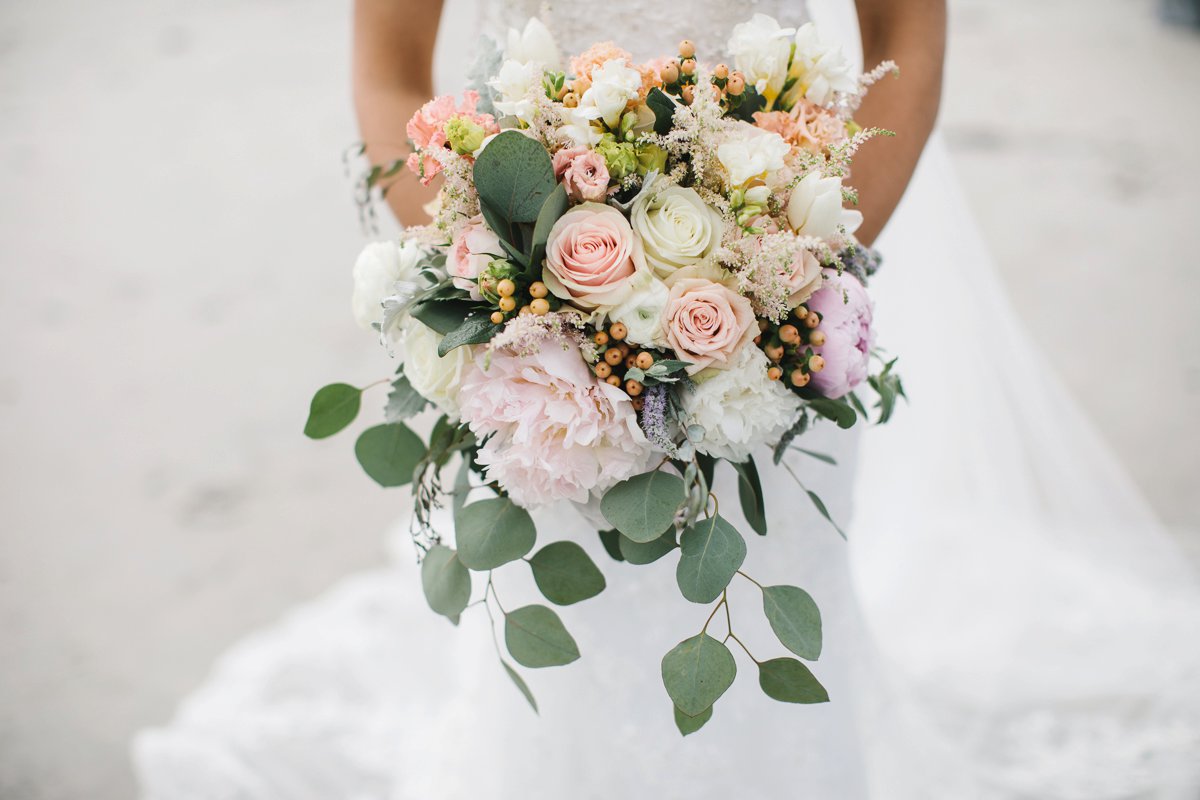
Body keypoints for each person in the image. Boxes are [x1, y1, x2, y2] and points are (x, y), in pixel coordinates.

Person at [133, 1, 1200, 797]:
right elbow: (388, 66)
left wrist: (778, 278)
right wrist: (501, 275)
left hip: (770, 330)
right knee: (564, 647)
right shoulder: (517, 308)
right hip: (528, 345)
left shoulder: (778, 295)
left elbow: (909, 35)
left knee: (763, 601)